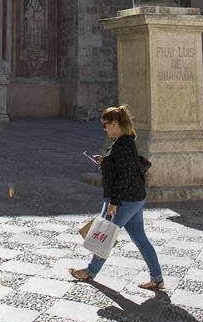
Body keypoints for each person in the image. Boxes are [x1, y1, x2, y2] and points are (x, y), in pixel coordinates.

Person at [69, 105, 165, 291]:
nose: (104, 129)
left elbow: (124, 176)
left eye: (105, 125)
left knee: (104, 235)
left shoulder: (123, 145)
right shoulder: (124, 141)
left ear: (114, 123)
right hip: (135, 197)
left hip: (124, 200)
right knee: (140, 238)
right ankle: (157, 278)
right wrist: (104, 161)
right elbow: (121, 168)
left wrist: (113, 202)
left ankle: (90, 271)